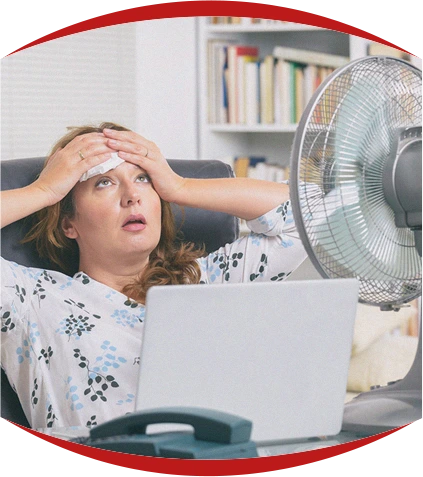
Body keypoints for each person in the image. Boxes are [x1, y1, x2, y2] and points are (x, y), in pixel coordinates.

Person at [1, 122, 307, 430]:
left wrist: (178, 187)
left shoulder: (204, 280)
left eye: (143, 178)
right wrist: (43, 190)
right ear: (69, 224)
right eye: (104, 183)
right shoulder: (30, 300)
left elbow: (308, 215)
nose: (132, 195)